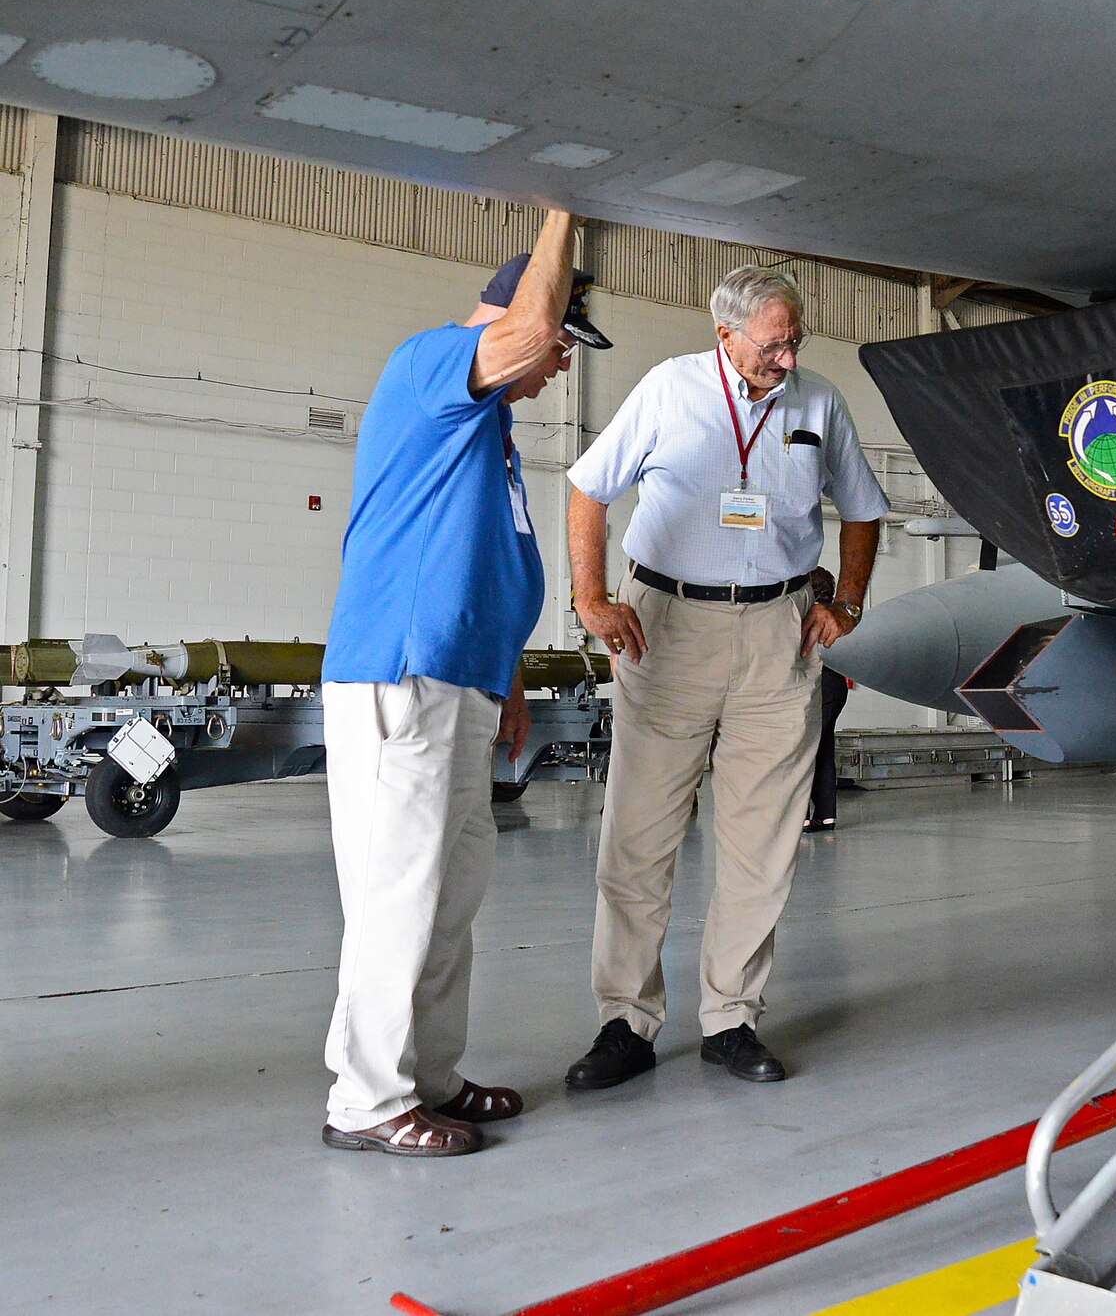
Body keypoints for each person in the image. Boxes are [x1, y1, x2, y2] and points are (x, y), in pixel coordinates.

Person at [319, 210, 610, 1156]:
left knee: (447, 894)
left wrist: (508, 671)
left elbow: (482, 558)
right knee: (395, 893)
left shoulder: (491, 429)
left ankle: (426, 1078)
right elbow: (519, 335)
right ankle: (365, 1101)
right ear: (513, 315)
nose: (562, 362)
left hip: (464, 680)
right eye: (563, 339)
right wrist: (566, 203)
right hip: (401, 677)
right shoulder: (433, 365)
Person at [563, 264, 888, 1088]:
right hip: (666, 628)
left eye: (794, 339)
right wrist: (591, 598)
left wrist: (846, 601)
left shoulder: (817, 401)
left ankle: (732, 1018)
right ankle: (624, 1023)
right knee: (638, 835)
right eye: (772, 342)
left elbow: (863, 506)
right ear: (725, 336)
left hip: (780, 629)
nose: (787, 356)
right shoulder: (669, 391)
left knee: (762, 842)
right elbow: (588, 489)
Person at [805, 567, 849, 832]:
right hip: (836, 687)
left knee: (803, 750)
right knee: (824, 749)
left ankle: (801, 815)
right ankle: (826, 814)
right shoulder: (839, 618)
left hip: (815, 686)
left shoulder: (809, 617)